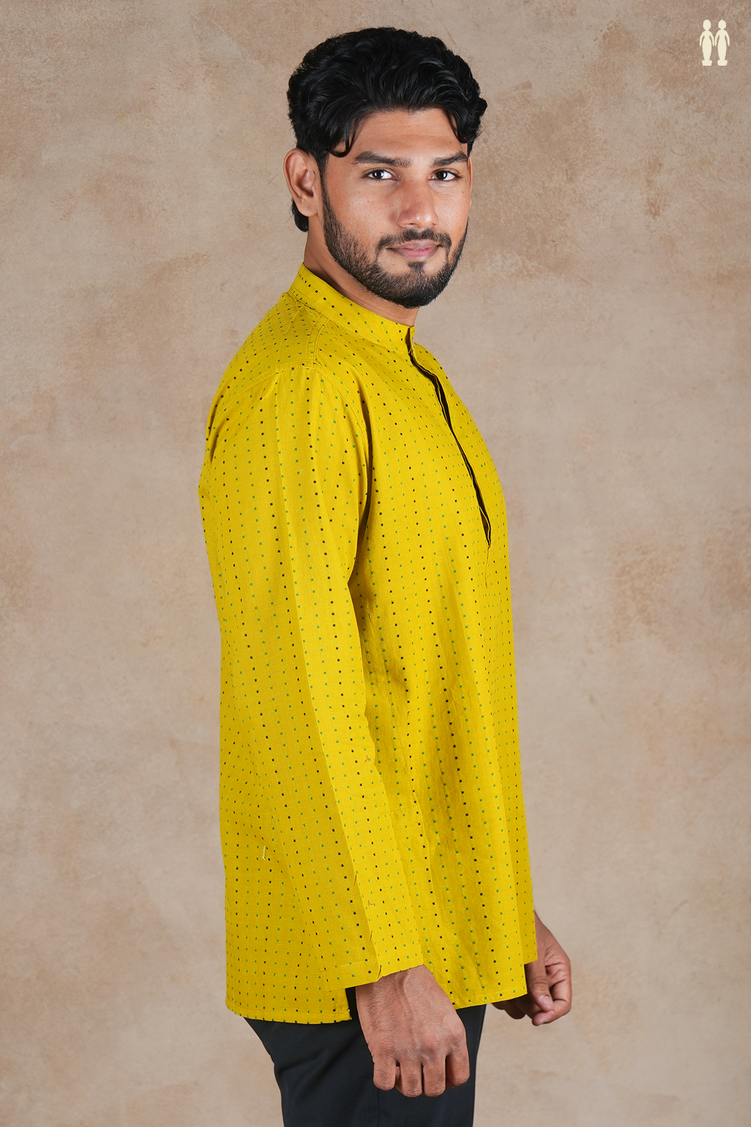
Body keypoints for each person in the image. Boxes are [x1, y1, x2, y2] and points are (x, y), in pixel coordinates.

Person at [199, 26, 571, 1127]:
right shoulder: (305, 386)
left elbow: (429, 687)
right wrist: (382, 960)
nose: (419, 209)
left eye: (444, 173)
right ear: (304, 181)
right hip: (360, 961)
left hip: (429, 934)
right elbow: (301, 700)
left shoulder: (400, 371)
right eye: (378, 174)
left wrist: (499, 906)